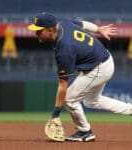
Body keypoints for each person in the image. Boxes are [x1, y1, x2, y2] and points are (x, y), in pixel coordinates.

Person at [28, 13, 132, 142]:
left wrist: (56, 113)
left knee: (69, 99)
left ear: (50, 30)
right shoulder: (63, 24)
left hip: (99, 68)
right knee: (91, 101)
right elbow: (83, 24)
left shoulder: (64, 49)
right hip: (102, 60)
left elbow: (63, 84)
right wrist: (99, 29)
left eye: (39, 31)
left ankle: (85, 131)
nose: (36, 33)